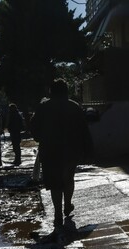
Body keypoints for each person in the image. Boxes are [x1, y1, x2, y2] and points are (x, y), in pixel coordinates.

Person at [30, 78, 92, 227]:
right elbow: (84, 130)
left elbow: (34, 128)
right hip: (71, 150)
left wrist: (40, 138)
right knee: (68, 178)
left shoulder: (43, 107)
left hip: (50, 150)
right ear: (66, 91)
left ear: (51, 91)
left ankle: (57, 212)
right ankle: (67, 205)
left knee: (55, 182)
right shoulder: (74, 106)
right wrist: (88, 150)